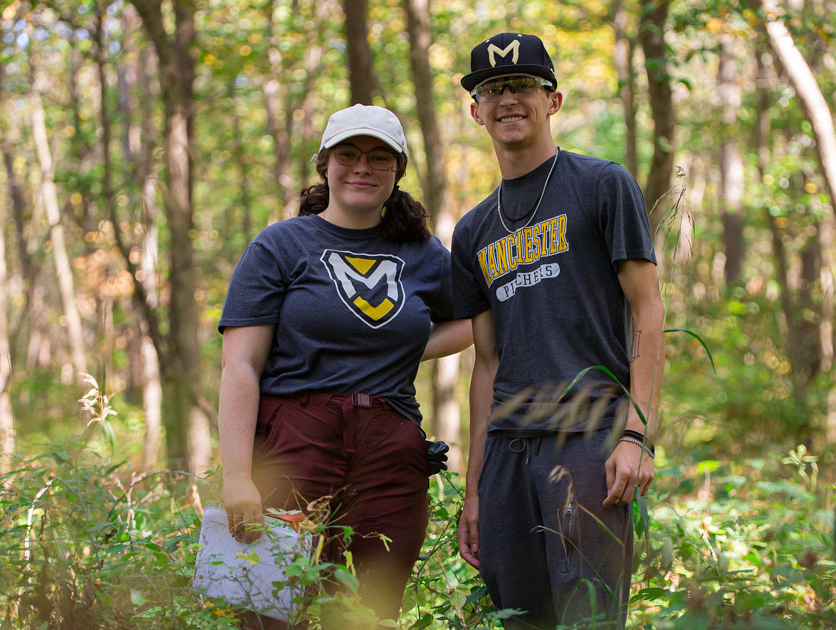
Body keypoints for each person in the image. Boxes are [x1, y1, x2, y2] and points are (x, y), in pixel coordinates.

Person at [217, 103, 471, 628]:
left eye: (380, 157)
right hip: (293, 441)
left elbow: (474, 321)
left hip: (390, 451)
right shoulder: (280, 246)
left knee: (367, 611)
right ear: (325, 164)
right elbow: (241, 364)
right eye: (348, 154)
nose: (362, 167)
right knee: (269, 608)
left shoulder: (424, 254)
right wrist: (238, 474)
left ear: (398, 171)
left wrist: (396, 349)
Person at [451, 33, 665, 629]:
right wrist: (475, 490)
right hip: (507, 458)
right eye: (491, 89)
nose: (507, 99)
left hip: (588, 440)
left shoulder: (601, 185)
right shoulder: (472, 231)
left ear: (554, 100)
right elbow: (485, 364)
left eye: (523, 85)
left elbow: (648, 310)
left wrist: (637, 436)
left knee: (589, 619)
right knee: (518, 619)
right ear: (475, 111)